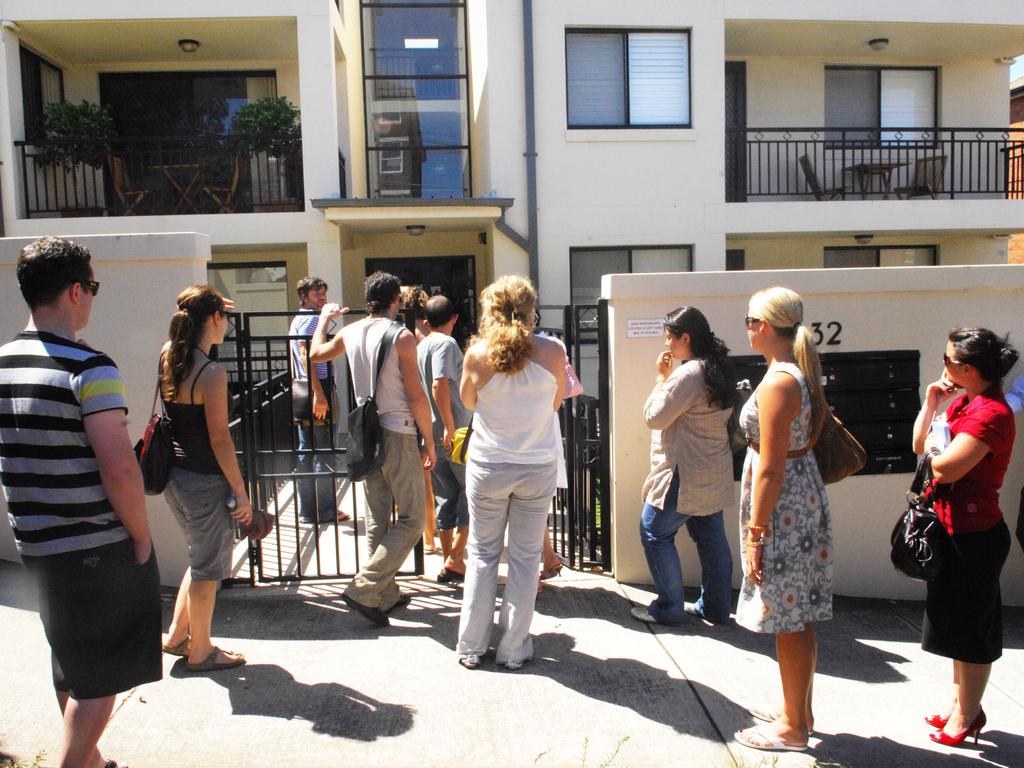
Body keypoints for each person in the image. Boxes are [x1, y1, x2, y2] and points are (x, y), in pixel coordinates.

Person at [0, 236, 161, 768]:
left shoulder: (2, 365)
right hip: (96, 546)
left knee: (71, 660)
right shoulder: (90, 368)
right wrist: (140, 537)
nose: (92, 297)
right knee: (102, 674)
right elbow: (118, 466)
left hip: (38, 545)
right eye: (91, 287)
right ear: (75, 292)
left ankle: (90, 762)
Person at [733, 286, 832, 753]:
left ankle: (793, 728)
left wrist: (756, 535)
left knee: (789, 617)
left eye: (750, 319)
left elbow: (771, 466)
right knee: (800, 613)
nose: (747, 327)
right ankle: (800, 710)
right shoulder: (793, 372)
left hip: (783, 507)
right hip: (798, 497)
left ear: (763, 326)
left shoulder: (780, 381)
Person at [310, 272, 435, 627]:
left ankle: (384, 595)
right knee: (413, 519)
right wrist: (427, 439)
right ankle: (365, 589)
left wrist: (324, 321)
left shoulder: (350, 332)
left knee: (378, 519)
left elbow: (316, 353)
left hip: (364, 433)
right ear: (396, 299)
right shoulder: (402, 337)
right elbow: (416, 396)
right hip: (397, 431)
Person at [911, 327, 1017, 747]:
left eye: (948, 358)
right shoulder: (963, 404)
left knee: (972, 631)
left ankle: (969, 713)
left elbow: (945, 469)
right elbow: (921, 446)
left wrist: (937, 453)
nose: (944, 364)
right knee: (955, 625)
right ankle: (960, 705)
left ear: (967, 368)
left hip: (975, 536)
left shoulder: (991, 413)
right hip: (950, 529)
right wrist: (931, 403)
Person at [455, 275, 566, 670]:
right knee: (525, 557)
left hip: (489, 465)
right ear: (531, 309)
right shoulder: (554, 351)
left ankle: (471, 645)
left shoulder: (477, 354)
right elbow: (554, 405)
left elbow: (468, 402)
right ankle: (514, 648)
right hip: (536, 465)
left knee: (482, 555)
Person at [160, 286, 253, 673]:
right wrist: (240, 491)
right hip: (203, 482)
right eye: (224, 317)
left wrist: (206, 301)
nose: (228, 324)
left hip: (173, 479)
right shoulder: (212, 373)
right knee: (208, 570)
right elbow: (220, 438)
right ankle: (202, 651)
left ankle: (177, 636)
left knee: (200, 558)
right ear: (213, 319)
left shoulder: (168, 356)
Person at [631, 307, 735, 626]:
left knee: (653, 531)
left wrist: (660, 380)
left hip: (685, 473)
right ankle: (716, 608)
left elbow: (654, 417)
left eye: (669, 337)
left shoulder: (690, 374)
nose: (667, 344)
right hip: (714, 469)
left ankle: (668, 608)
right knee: (710, 537)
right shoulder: (720, 367)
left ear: (685, 337)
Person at [417, 294, 472, 583]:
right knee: (470, 493)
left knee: (445, 495)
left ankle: (451, 559)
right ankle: (455, 557)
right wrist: (451, 426)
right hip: (456, 432)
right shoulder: (446, 343)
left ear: (426, 322)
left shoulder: (420, 345)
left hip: (430, 431)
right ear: (454, 318)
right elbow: (440, 383)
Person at [289, 276, 348, 525]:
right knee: (324, 452)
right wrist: (319, 394)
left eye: (323, 293)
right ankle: (325, 510)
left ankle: (307, 510)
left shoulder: (300, 319)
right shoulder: (311, 320)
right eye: (316, 294)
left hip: (303, 390)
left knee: (307, 452)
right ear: (304, 297)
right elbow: (308, 357)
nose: (322, 298)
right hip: (316, 391)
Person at [402, 284, 438, 554]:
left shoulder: (406, 336)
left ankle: (428, 537)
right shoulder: (431, 333)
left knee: (423, 480)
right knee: (440, 479)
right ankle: (437, 529)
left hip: (416, 410)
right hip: (438, 409)